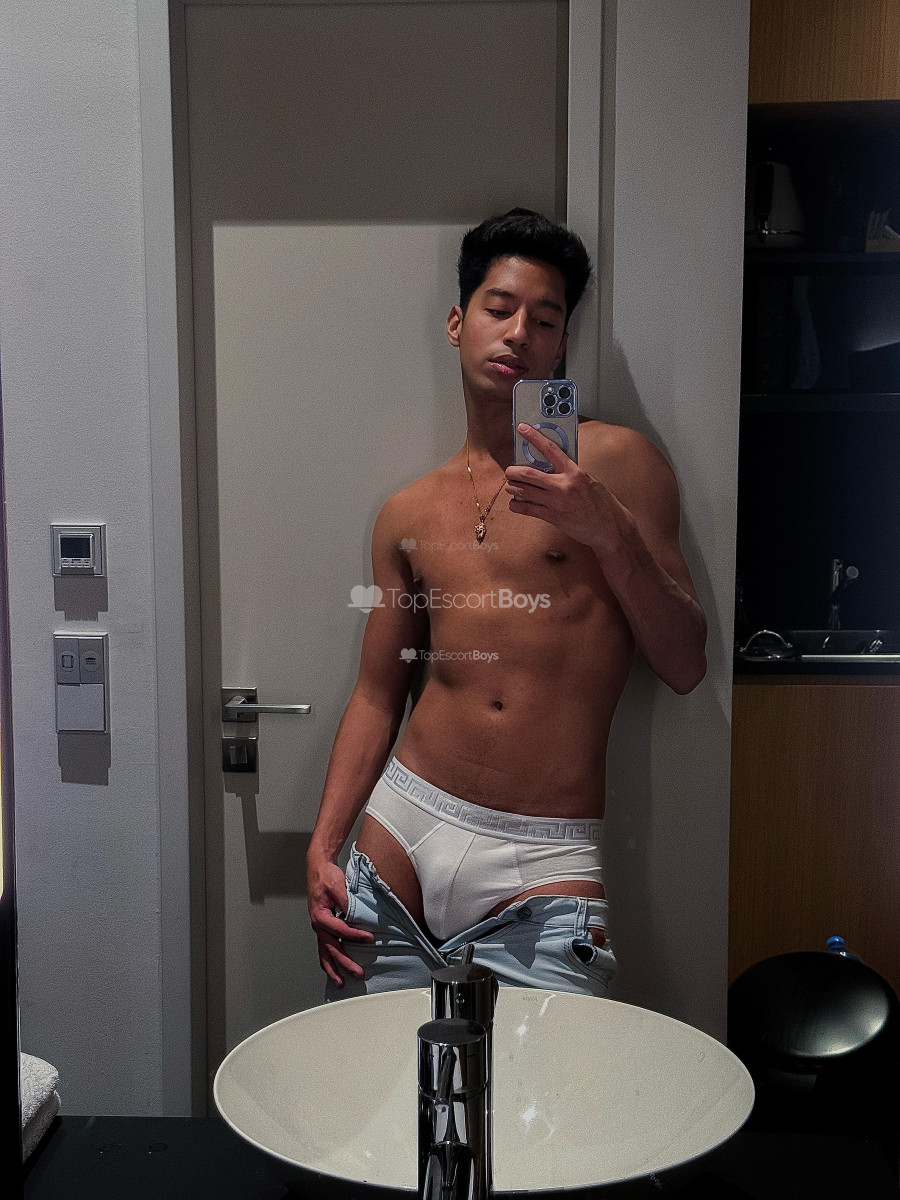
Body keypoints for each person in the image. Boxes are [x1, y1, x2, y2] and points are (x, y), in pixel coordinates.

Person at [306, 208, 707, 1000]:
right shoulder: (407, 511)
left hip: (546, 860)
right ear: (458, 323)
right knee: (375, 1076)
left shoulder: (619, 464)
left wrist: (609, 532)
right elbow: (378, 694)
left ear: (561, 347)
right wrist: (323, 844)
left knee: (553, 1083)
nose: (520, 332)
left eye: (545, 319)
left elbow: (685, 664)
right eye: (500, 308)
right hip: (399, 839)